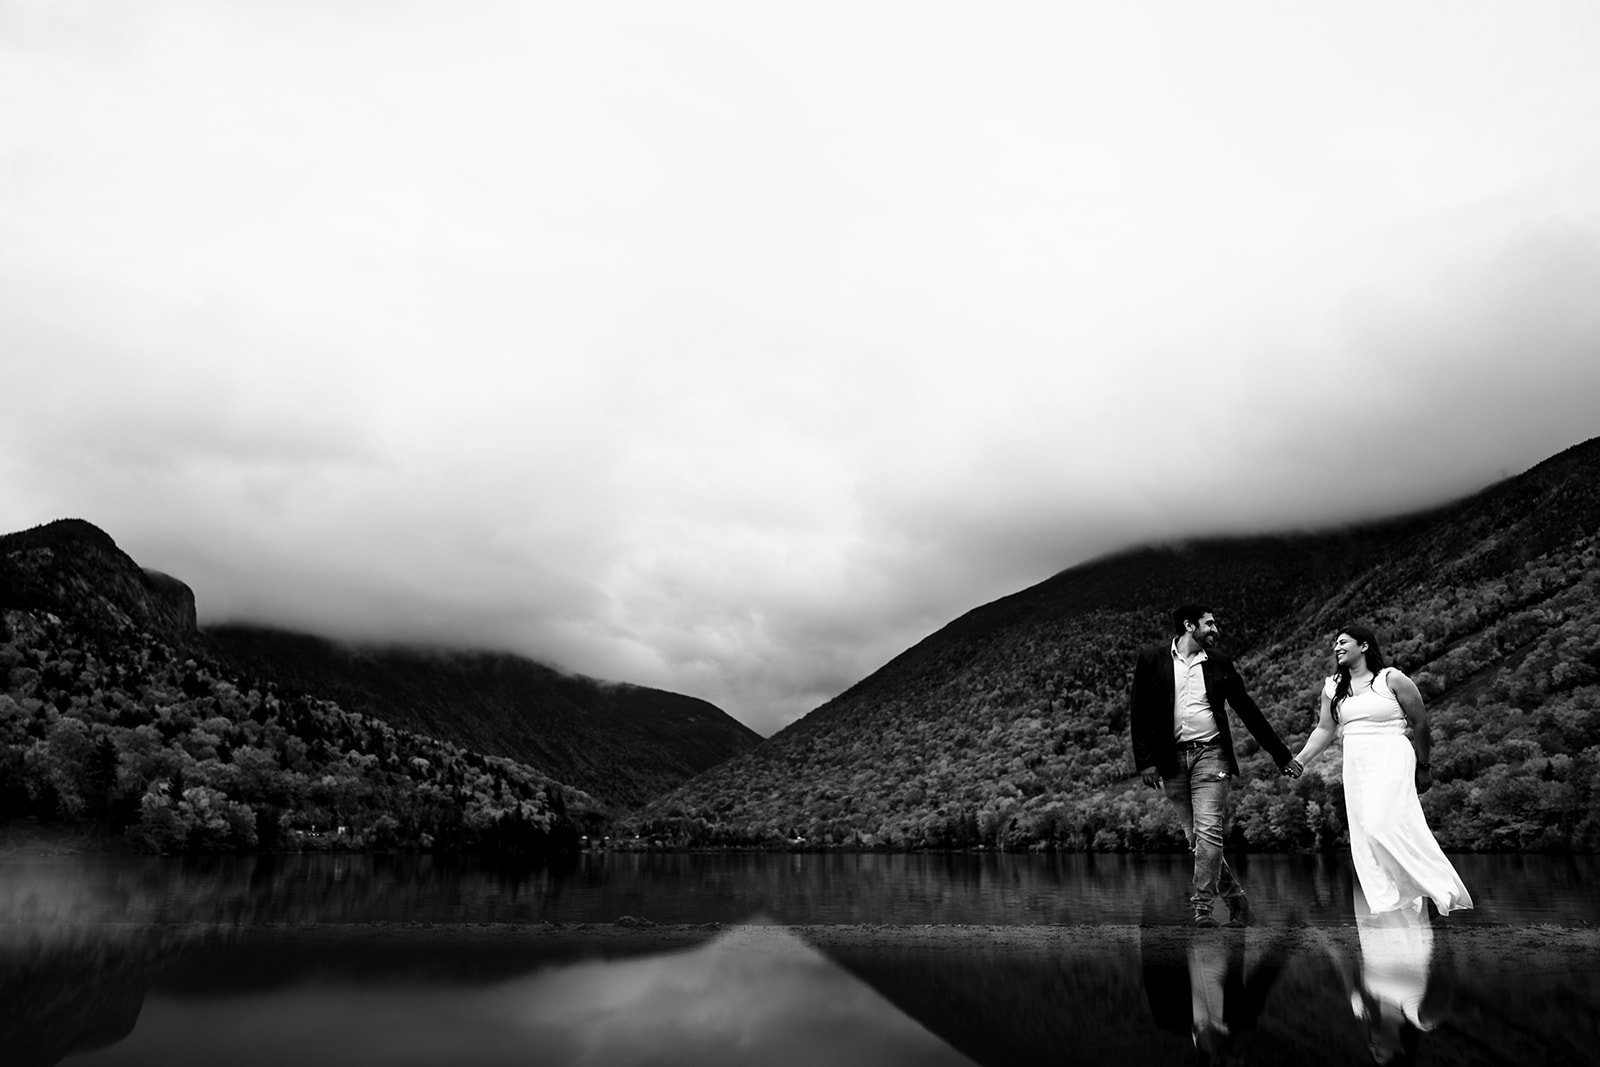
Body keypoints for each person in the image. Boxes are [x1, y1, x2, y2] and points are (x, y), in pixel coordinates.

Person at [1130, 604, 1301, 927]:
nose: (1215, 629)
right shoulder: (1152, 659)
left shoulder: (1219, 663)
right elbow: (1138, 713)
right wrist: (1146, 762)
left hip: (1212, 753)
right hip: (1171, 760)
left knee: (1209, 829)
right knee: (1196, 838)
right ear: (1188, 625)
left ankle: (1203, 908)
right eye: (1209, 623)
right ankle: (1236, 901)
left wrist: (1281, 755)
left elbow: (1248, 710)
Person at [1290, 624, 1472, 917]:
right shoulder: (1333, 687)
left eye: (1343, 642)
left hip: (1391, 755)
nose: (1336, 647)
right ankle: (1392, 902)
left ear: (1363, 646)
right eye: (1335, 644)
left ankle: (1435, 886)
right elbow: (1325, 729)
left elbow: (1421, 723)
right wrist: (1300, 760)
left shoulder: (1392, 679)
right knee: (1365, 835)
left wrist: (1424, 766)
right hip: (1356, 763)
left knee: (1379, 825)